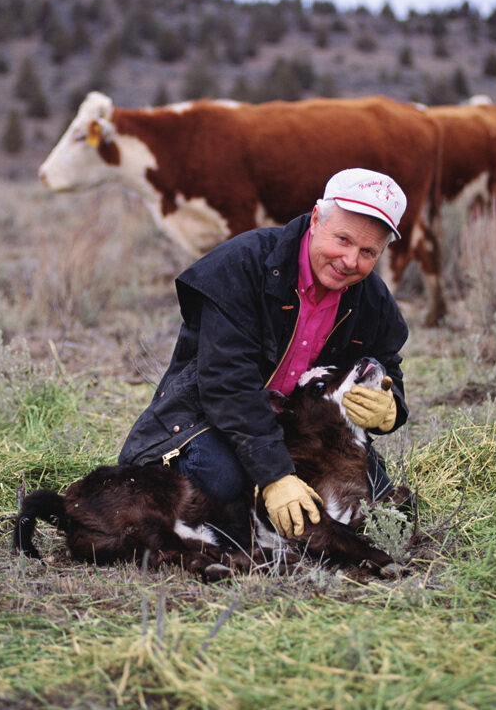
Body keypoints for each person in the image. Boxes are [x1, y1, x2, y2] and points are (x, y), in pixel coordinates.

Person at [119, 167, 410, 540]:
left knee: (384, 501)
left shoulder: (372, 299)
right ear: (317, 218)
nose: (351, 261)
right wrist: (275, 475)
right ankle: (192, 513)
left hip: (299, 426)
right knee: (227, 481)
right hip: (209, 415)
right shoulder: (241, 266)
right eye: (343, 239)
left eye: (368, 251)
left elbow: (390, 367)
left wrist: (391, 409)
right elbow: (226, 385)